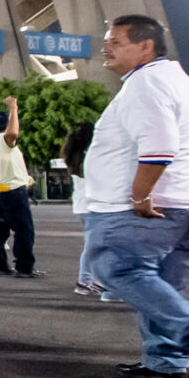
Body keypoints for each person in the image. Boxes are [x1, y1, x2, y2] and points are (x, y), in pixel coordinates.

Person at [81, 15, 189, 378]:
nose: (106, 47)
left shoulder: (145, 83)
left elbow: (159, 147)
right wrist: (188, 184)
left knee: (115, 268)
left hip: (144, 211)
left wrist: (142, 195)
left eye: (116, 41)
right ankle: (165, 363)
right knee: (164, 287)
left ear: (146, 46)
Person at [0, 98, 36, 277]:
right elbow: (12, 135)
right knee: (24, 230)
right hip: (13, 190)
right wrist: (14, 108)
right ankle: (24, 267)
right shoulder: (4, 140)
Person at [64, 119, 104, 298]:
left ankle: (91, 280)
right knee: (94, 245)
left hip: (82, 204)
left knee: (95, 244)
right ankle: (85, 281)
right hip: (94, 204)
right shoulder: (92, 154)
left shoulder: (74, 154)